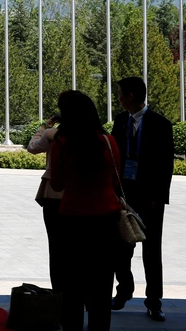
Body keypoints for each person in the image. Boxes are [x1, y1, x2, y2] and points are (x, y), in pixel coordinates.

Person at [49, 90, 122, 331]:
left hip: (72, 219)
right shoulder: (108, 142)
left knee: (71, 286)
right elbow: (115, 182)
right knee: (101, 285)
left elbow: (57, 184)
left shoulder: (61, 143)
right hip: (106, 221)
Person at [111, 77, 174, 322]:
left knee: (151, 250)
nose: (118, 97)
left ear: (131, 96)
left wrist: (158, 197)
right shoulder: (120, 121)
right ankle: (124, 289)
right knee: (120, 246)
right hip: (125, 195)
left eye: (120, 93)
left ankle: (154, 301)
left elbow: (166, 164)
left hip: (150, 198)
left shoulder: (160, 124)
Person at [26, 115, 65, 292]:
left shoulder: (52, 134)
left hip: (53, 195)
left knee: (57, 249)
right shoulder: (95, 137)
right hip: (81, 196)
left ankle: (59, 293)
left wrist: (44, 126)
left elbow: (32, 147)